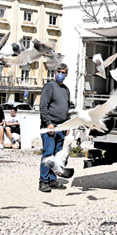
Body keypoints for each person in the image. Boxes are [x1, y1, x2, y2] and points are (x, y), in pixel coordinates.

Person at [39, 63, 70, 192]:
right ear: (55, 72)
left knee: (58, 155)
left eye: (63, 72)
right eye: (59, 72)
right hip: (50, 127)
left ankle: (53, 180)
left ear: (66, 74)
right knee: (48, 154)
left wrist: (68, 124)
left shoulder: (66, 90)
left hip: (61, 127)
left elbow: (67, 108)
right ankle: (43, 181)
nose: (61, 74)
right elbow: (43, 106)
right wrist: (48, 123)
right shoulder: (50, 86)